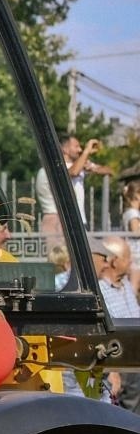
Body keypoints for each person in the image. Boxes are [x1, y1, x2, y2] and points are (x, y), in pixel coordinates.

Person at [92, 235, 140, 407]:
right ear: (114, 261)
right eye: (128, 258)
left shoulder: (125, 284)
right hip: (120, 362)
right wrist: (111, 370)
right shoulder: (100, 291)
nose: (131, 262)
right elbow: (102, 333)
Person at [36, 135, 111, 235]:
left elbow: (108, 171)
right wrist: (86, 152)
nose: (80, 149)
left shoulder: (80, 165)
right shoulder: (52, 168)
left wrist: (93, 168)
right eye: (76, 146)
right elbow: (73, 173)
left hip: (79, 220)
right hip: (59, 222)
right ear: (65, 149)